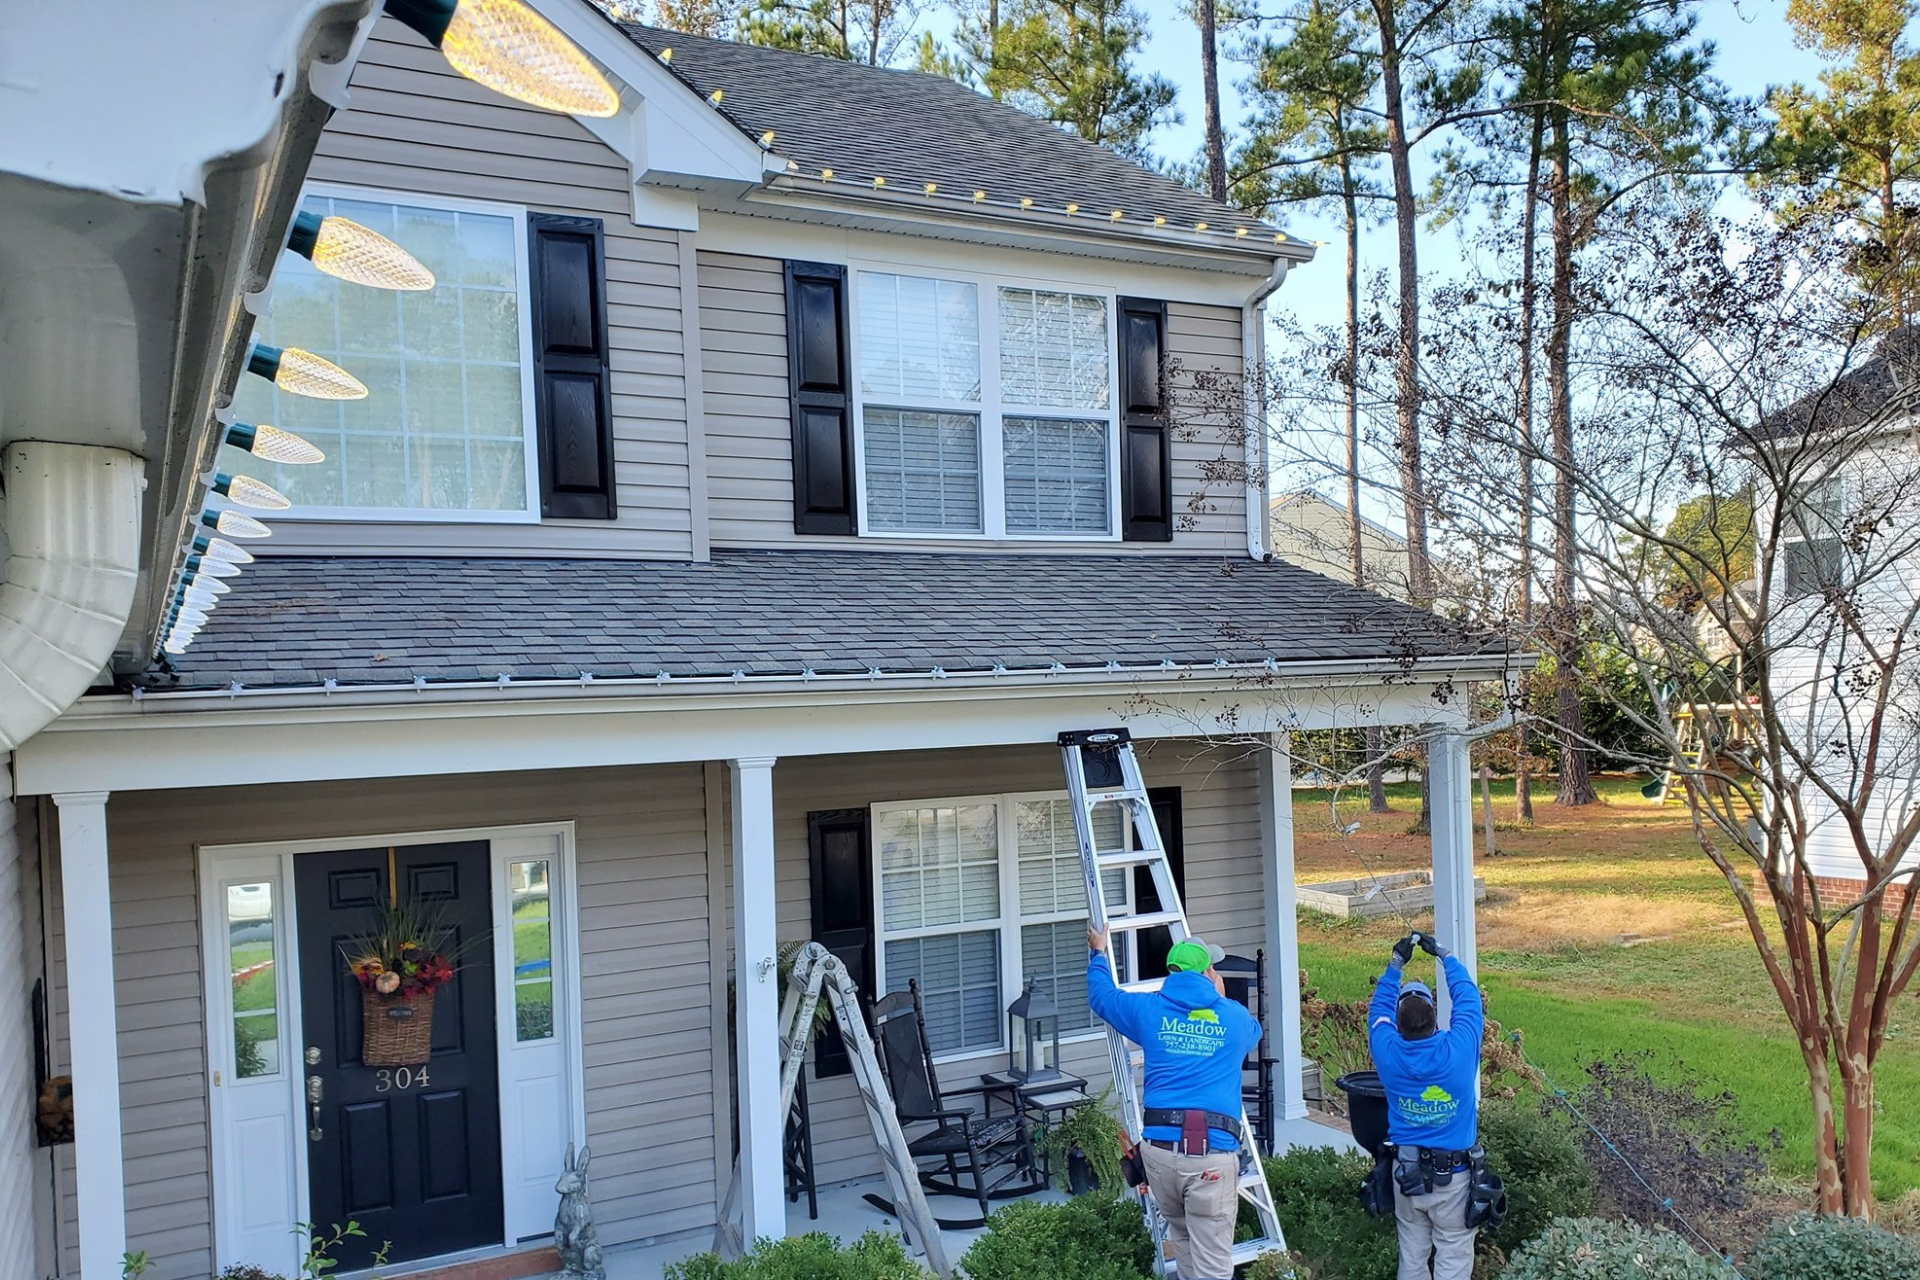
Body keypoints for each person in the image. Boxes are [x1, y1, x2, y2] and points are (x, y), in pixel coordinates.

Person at [1087, 924, 1262, 1280]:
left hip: (1160, 1155)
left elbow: (1102, 997)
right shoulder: (1232, 1017)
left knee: (1183, 1240)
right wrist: (1221, 998)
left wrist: (1099, 952)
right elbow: (1253, 1033)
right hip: (1210, 1157)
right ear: (1208, 972)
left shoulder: (1149, 1010)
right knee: (1213, 1266)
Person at [1367, 931, 1486, 1280]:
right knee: (1453, 1252)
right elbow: (1469, 1000)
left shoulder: (1387, 1050)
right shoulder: (1458, 1049)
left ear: (1399, 1025)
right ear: (1436, 1020)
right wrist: (1446, 957)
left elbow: (1378, 1011)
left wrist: (1395, 965)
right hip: (1454, 1178)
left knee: (1412, 1257)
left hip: (1407, 1173)